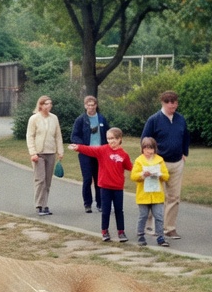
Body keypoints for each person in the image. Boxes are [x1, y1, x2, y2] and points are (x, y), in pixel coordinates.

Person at [141, 91, 191, 240]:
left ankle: (169, 228)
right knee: (155, 195)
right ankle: (150, 225)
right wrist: (148, 158)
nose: (172, 105)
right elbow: (145, 139)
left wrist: (184, 153)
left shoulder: (180, 119)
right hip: (157, 163)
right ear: (163, 103)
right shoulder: (154, 120)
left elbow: (186, 136)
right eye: (169, 102)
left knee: (174, 196)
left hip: (176, 162)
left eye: (174, 102)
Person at [70, 127, 134, 242]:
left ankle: (121, 232)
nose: (110, 141)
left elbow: (131, 167)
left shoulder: (123, 154)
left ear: (119, 139)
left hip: (118, 187)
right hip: (105, 186)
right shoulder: (103, 150)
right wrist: (78, 147)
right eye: (108, 139)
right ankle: (104, 231)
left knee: (119, 210)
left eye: (113, 138)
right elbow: (90, 150)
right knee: (106, 210)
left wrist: (143, 171)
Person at [69, 95, 109, 214]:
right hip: (86, 153)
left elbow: (108, 133)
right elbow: (74, 136)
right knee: (87, 179)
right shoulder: (81, 119)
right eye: (89, 105)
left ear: (96, 105)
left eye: (93, 105)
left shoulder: (101, 119)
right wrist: (83, 146)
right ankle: (87, 204)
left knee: (99, 179)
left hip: (99, 153)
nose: (91, 107)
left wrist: (107, 147)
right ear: (85, 106)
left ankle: (100, 203)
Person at [25, 95, 62, 215]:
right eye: (46, 104)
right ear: (40, 105)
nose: (49, 106)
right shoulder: (34, 118)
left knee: (47, 180)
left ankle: (45, 205)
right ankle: (39, 205)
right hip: (38, 153)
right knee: (40, 179)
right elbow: (30, 136)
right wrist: (33, 153)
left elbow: (58, 135)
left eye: (50, 103)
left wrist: (60, 151)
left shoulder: (54, 118)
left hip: (50, 152)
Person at [132, 137, 171, 247]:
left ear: (154, 149)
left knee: (158, 216)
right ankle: (140, 235)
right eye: (146, 148)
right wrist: (142, 175)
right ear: (142, 149)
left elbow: (166, 176)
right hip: (143, 194)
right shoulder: (139, 160)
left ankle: (160, 237)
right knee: (143, 215)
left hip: (157, 194)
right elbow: (133, 176)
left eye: (151, 148)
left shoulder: (159, 160)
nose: (148, 151)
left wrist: (159, 175)